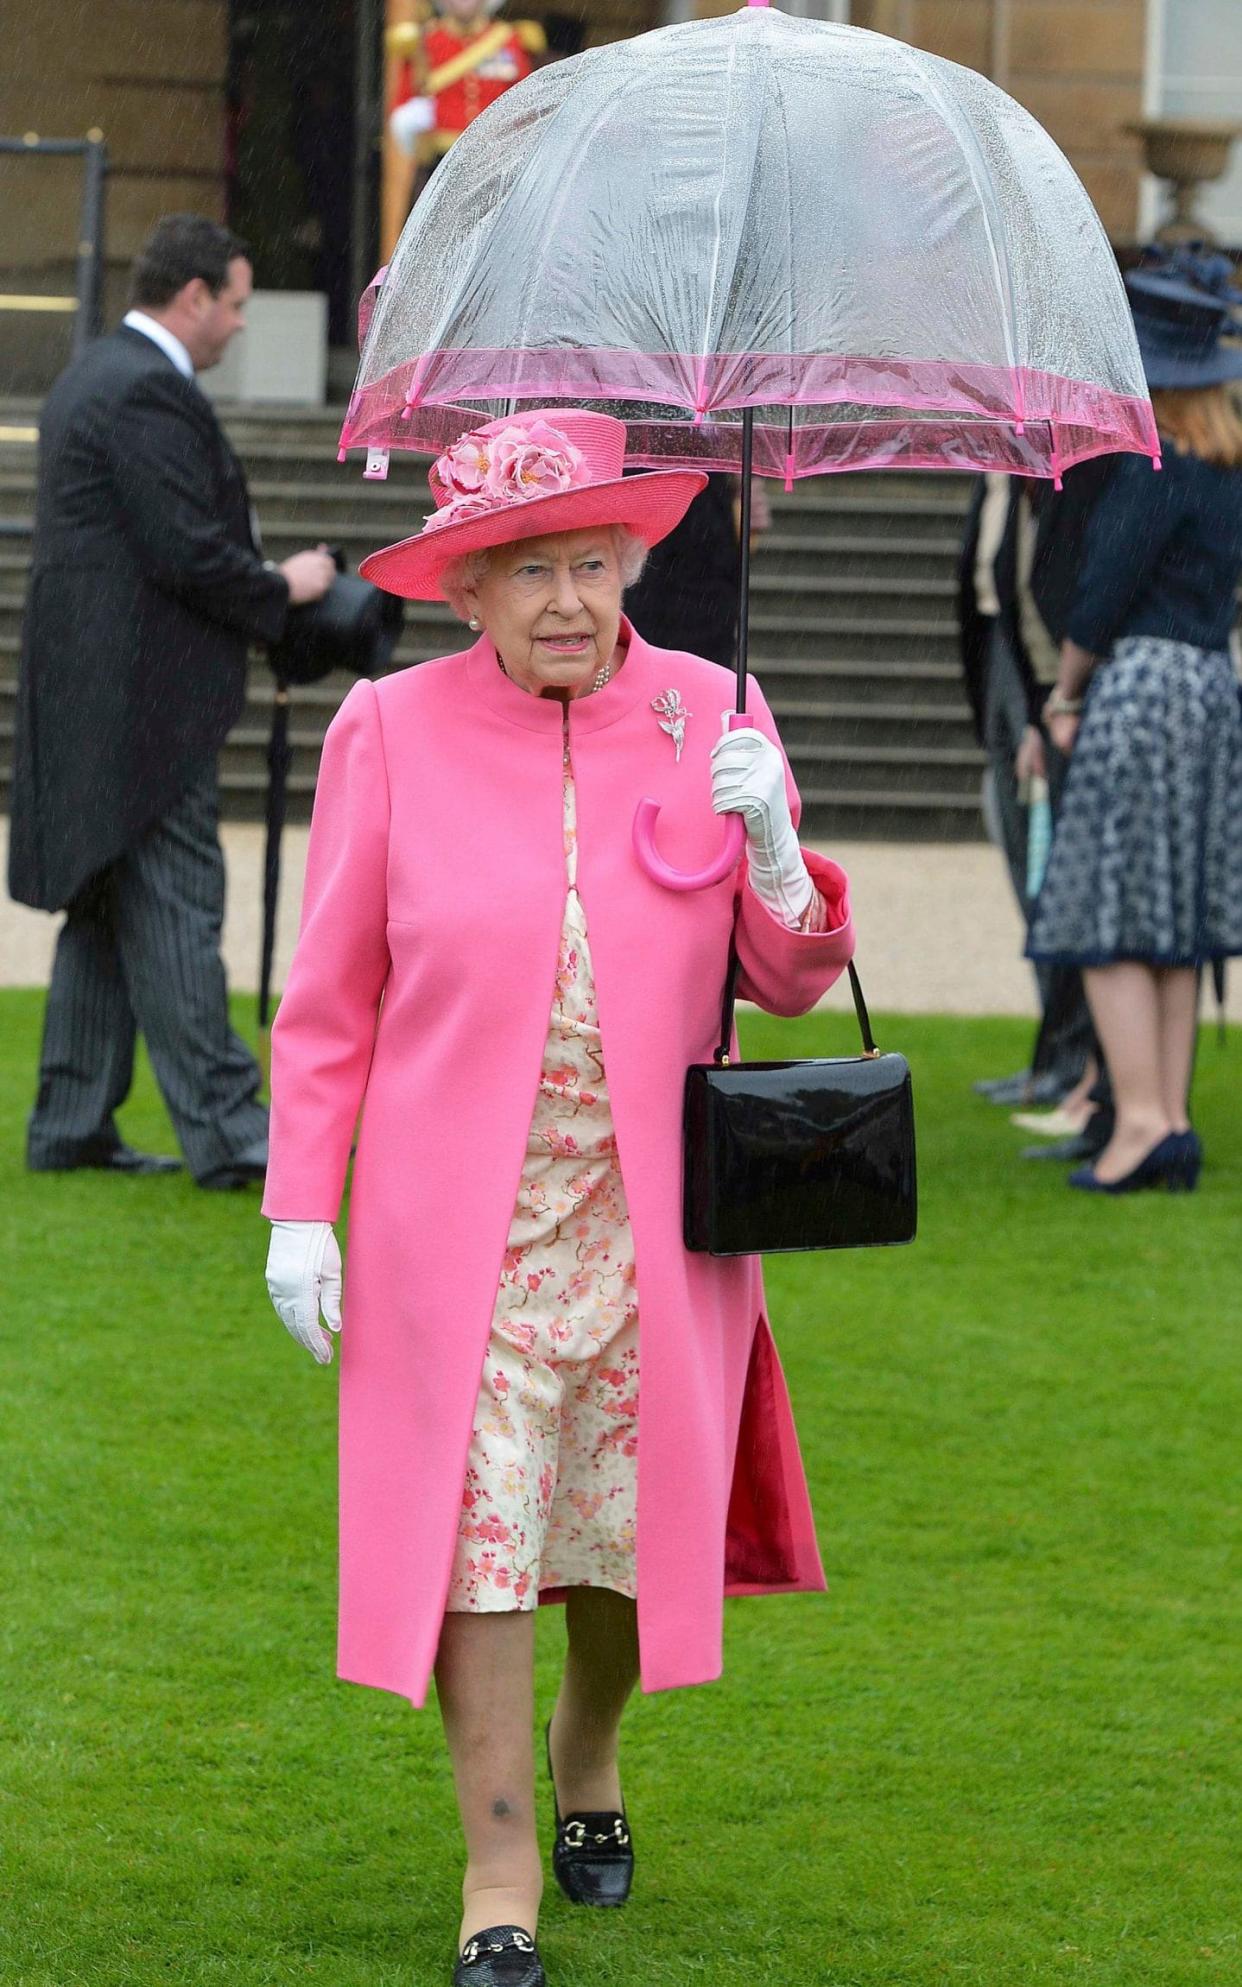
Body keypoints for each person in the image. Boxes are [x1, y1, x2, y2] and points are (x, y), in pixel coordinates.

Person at [261, 409, 855, 1986]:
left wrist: (782, 852)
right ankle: (499, 1864)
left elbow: (785, 981)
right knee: (481, 1543)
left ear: (635, 559)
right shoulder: (383, 730)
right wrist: (298, 1206)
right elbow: (329, 1001)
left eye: (593, 563)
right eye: (531, 572)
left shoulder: (713, 707)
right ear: (467, 589)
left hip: (652, 1233)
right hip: (455, 1245)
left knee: (614, 1542)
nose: (570, 602)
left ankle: (590, 1748)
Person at [7, 214, 336, 1186]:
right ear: (192, 295)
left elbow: (156, 545)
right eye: (234, 303)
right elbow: (184, 549)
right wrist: (286, 590)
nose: (239, 324)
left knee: (106, 911)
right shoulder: (148, 388)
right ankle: (235, 1134)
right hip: (143, 711)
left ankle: (70, 1123)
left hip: (95, 702)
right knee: (181, 910)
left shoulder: (95, 376)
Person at [1027, 247, 1242, 1193]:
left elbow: (1100, 594)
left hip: (1143, 685)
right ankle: (1171, 1117)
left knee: (1111, 906)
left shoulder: (1155, 463)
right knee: (1174, 912)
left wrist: (1065, 694)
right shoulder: (1231, 464)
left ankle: (1142, 1119)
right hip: (1209, 685)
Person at [957, 470, 1101, 1121]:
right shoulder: (995, 478)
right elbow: (988, 585)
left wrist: (1046, 712)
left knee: (1058, 879)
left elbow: (1053, 588)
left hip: (1043, 683)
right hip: (1002, 667)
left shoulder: (1057, 480)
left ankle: (1073, 1061)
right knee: (1028, 870)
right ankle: (1055, 1054)